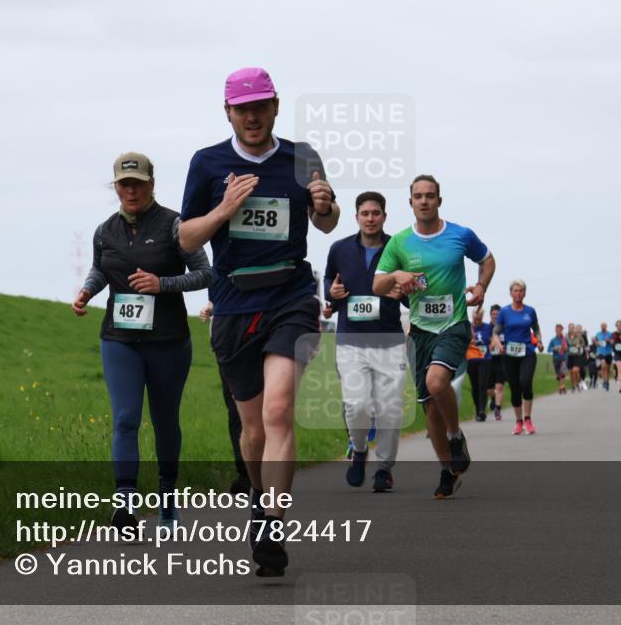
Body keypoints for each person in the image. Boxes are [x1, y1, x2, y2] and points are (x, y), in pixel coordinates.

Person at [178, 67, 339, 576]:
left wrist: (325, 204)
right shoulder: (207, 162)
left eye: (260, 106)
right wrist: (223, 209)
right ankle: (258, 493)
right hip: (233, 303)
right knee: (252, 431)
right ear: (228, 112)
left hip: (291, 296)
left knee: (279, 410)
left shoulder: (302, 157)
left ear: (276, 106)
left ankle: (273, 521)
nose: (252, 117)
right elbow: (185, 239)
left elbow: (327, 222)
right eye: (242, 109)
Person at [72, 152, 211, 531]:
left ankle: (167, 500)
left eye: (137, 184)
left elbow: (205, 273)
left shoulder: (175, 225)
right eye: (124, 184)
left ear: (151, 184)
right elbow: (101, 269)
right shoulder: (105, 231)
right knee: (125, 419)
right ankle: (125, 506)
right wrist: (87, 291)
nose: (131, 191)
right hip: (119, 339)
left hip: (168, 340)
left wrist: (162, 284)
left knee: (165, 421)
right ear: (116, 187)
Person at [373, 175, 495, 500]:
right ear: (410, 202)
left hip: (453, 325)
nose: (424, 201)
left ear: (439, 200)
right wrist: (396, 276)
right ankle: (447, 470)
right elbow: (377, 285)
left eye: (430, 195)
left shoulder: (460, 235)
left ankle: (455, 437)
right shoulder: (400, 242)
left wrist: (481, 286)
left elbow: (487, 259)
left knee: (436, 382)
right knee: (430, 410)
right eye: (418, 196)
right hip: (420, 332)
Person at [324, 191, 407, 492]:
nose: (370, 218)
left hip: (390, 342)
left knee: (389, 410)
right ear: (356, 217)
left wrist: (404, 292)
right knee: (356, 405)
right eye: (365, 213)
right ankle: (359, 450)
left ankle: (384, 469)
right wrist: (331, 294)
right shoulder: (340, 249)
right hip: (351, 341)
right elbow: (329, 283)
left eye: (376, 213)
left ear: (384, 216)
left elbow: (413, 291)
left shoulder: (399, 249)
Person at [200, 301, 251, 495]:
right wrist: (212, 305)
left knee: (265, 409)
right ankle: (245, 474)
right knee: (236, 410)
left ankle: (267, 467)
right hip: (228, 341)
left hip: (260, 334)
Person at [491, 280, 544, 435]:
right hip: (509, 354)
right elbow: (495, 333)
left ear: (524, 293)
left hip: (528, 352)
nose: (518, 293)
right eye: (515, 290)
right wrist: (499, 345)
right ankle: (519, 422)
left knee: (525, 383)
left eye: (521, 291)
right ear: (511, 293)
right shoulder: (504, 312)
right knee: (515, 388)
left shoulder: (530, 311)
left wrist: (539, 341)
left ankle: (528, 419)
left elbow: (536, 329)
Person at [466, 306, 494, 420]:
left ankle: (482, 410)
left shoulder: (488, 327)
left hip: (484, 359)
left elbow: (493, 339)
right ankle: (478, 410)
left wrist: (493, 345)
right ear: (472, 317)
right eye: (475, 318)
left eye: (479, 318)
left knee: (483, 385)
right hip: (471, 359)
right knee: (474, 386)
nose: (477, 320)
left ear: (482, 317)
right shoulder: (468, 327)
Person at [546, 324, 568, 395]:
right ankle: (560, 386)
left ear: (562, 330)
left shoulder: (564, 339)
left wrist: (564, 349)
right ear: (555, 331)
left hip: (563, 358)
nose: (558, 331)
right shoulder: (553, 340)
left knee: (562, 372)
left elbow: (568, 348)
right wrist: (554, 348)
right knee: (558, 373)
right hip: (556, 358)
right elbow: (548, 350)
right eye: (557, 330)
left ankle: (563, 386)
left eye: (560, 330)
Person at [567, 324, 588, 393]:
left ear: (574, 329)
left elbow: (584, 343)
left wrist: (580, 345)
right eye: (570, 328)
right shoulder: (566, 336)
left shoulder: (578, 336)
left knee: (575, 371)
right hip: (570, 355)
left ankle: (578, 383)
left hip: (577, 355)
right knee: (571, 373)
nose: (571, 329)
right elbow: (564, 343)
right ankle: (573, 386)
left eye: (572, 328)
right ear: (568, 328)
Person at [595, 322, 614, 391]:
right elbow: (596, 343)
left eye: (604, 326)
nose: (603, 327)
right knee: (603, 366)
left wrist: (609, 340)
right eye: (602, 326)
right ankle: (604, 381)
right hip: (601, 353)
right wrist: (597, 343)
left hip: (608, 353)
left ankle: (607, 381)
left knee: (608, 369)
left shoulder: (610, 334)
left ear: (606, 326)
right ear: (600, 327)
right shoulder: (598, 334)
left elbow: (613, 342)